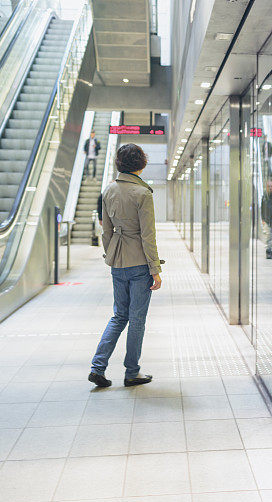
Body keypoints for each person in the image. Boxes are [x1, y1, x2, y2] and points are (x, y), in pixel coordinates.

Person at [89, 143, 162, 388]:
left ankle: (97, 367)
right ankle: (132, 372)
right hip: (139, 262)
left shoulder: (109, 191)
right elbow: (147, 236)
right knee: (137, 318)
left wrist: (111, 255)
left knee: (119, 316)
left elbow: (106, 231)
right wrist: (155, 269)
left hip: (117, 262)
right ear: (140, 164)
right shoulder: (143, 194)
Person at [260, 178, 272, 259]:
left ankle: (271, 250)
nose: (270, 188)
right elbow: (262, 208)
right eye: (269, 186)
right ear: (266, 187)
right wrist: (263, 219)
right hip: (267, 220)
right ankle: (268, 251)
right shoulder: (264, 197)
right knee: (269, 235)